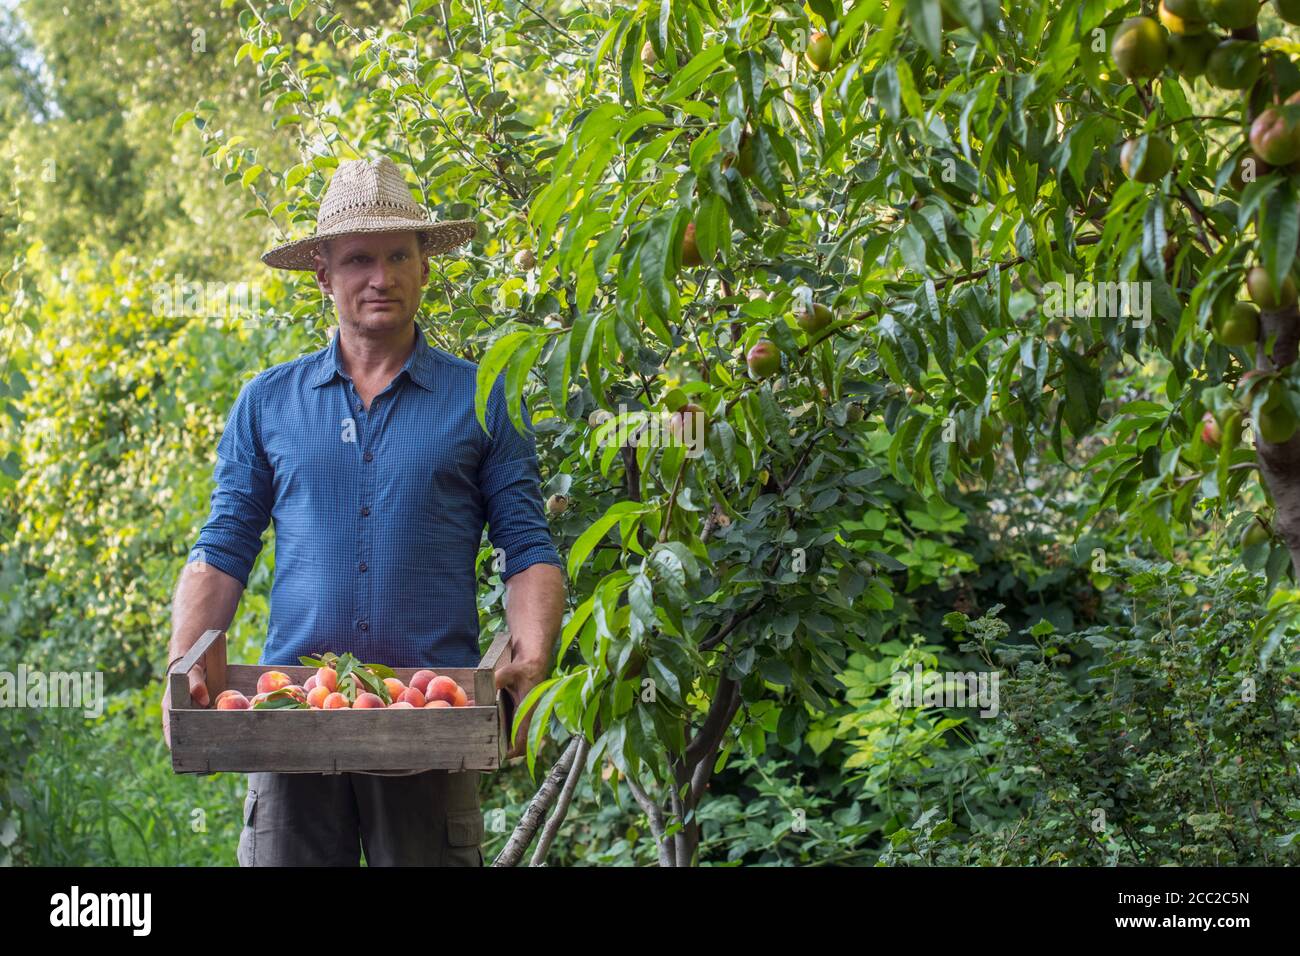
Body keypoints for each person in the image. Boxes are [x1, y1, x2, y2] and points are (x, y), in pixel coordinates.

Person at [161, 156, 567, 866]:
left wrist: (532, 655)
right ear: (323, 273)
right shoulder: (268, 403)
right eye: (358, 260)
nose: (380, 277)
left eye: (397, 256)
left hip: (428, 717)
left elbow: (526, 543)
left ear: (425, 268)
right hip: (291, 718)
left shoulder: (483, 398)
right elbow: (224, 545)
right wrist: (181, 662)